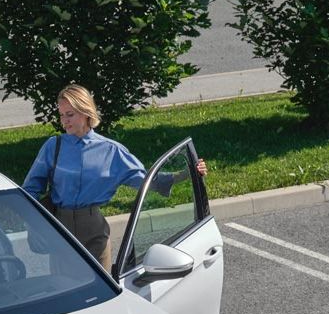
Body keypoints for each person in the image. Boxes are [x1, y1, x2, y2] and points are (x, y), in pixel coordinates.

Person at [22, 83, 208, 272]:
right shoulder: (53, 146)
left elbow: (148, 181)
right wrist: (30, 218)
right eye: (62, 115)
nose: (64, 121)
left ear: (86, 112)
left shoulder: (111, 151)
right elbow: (30, 188)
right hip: (60, 231)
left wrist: (188, 173)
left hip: (94, 232)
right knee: (65, 289)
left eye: (70, 114)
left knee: (101, 291)